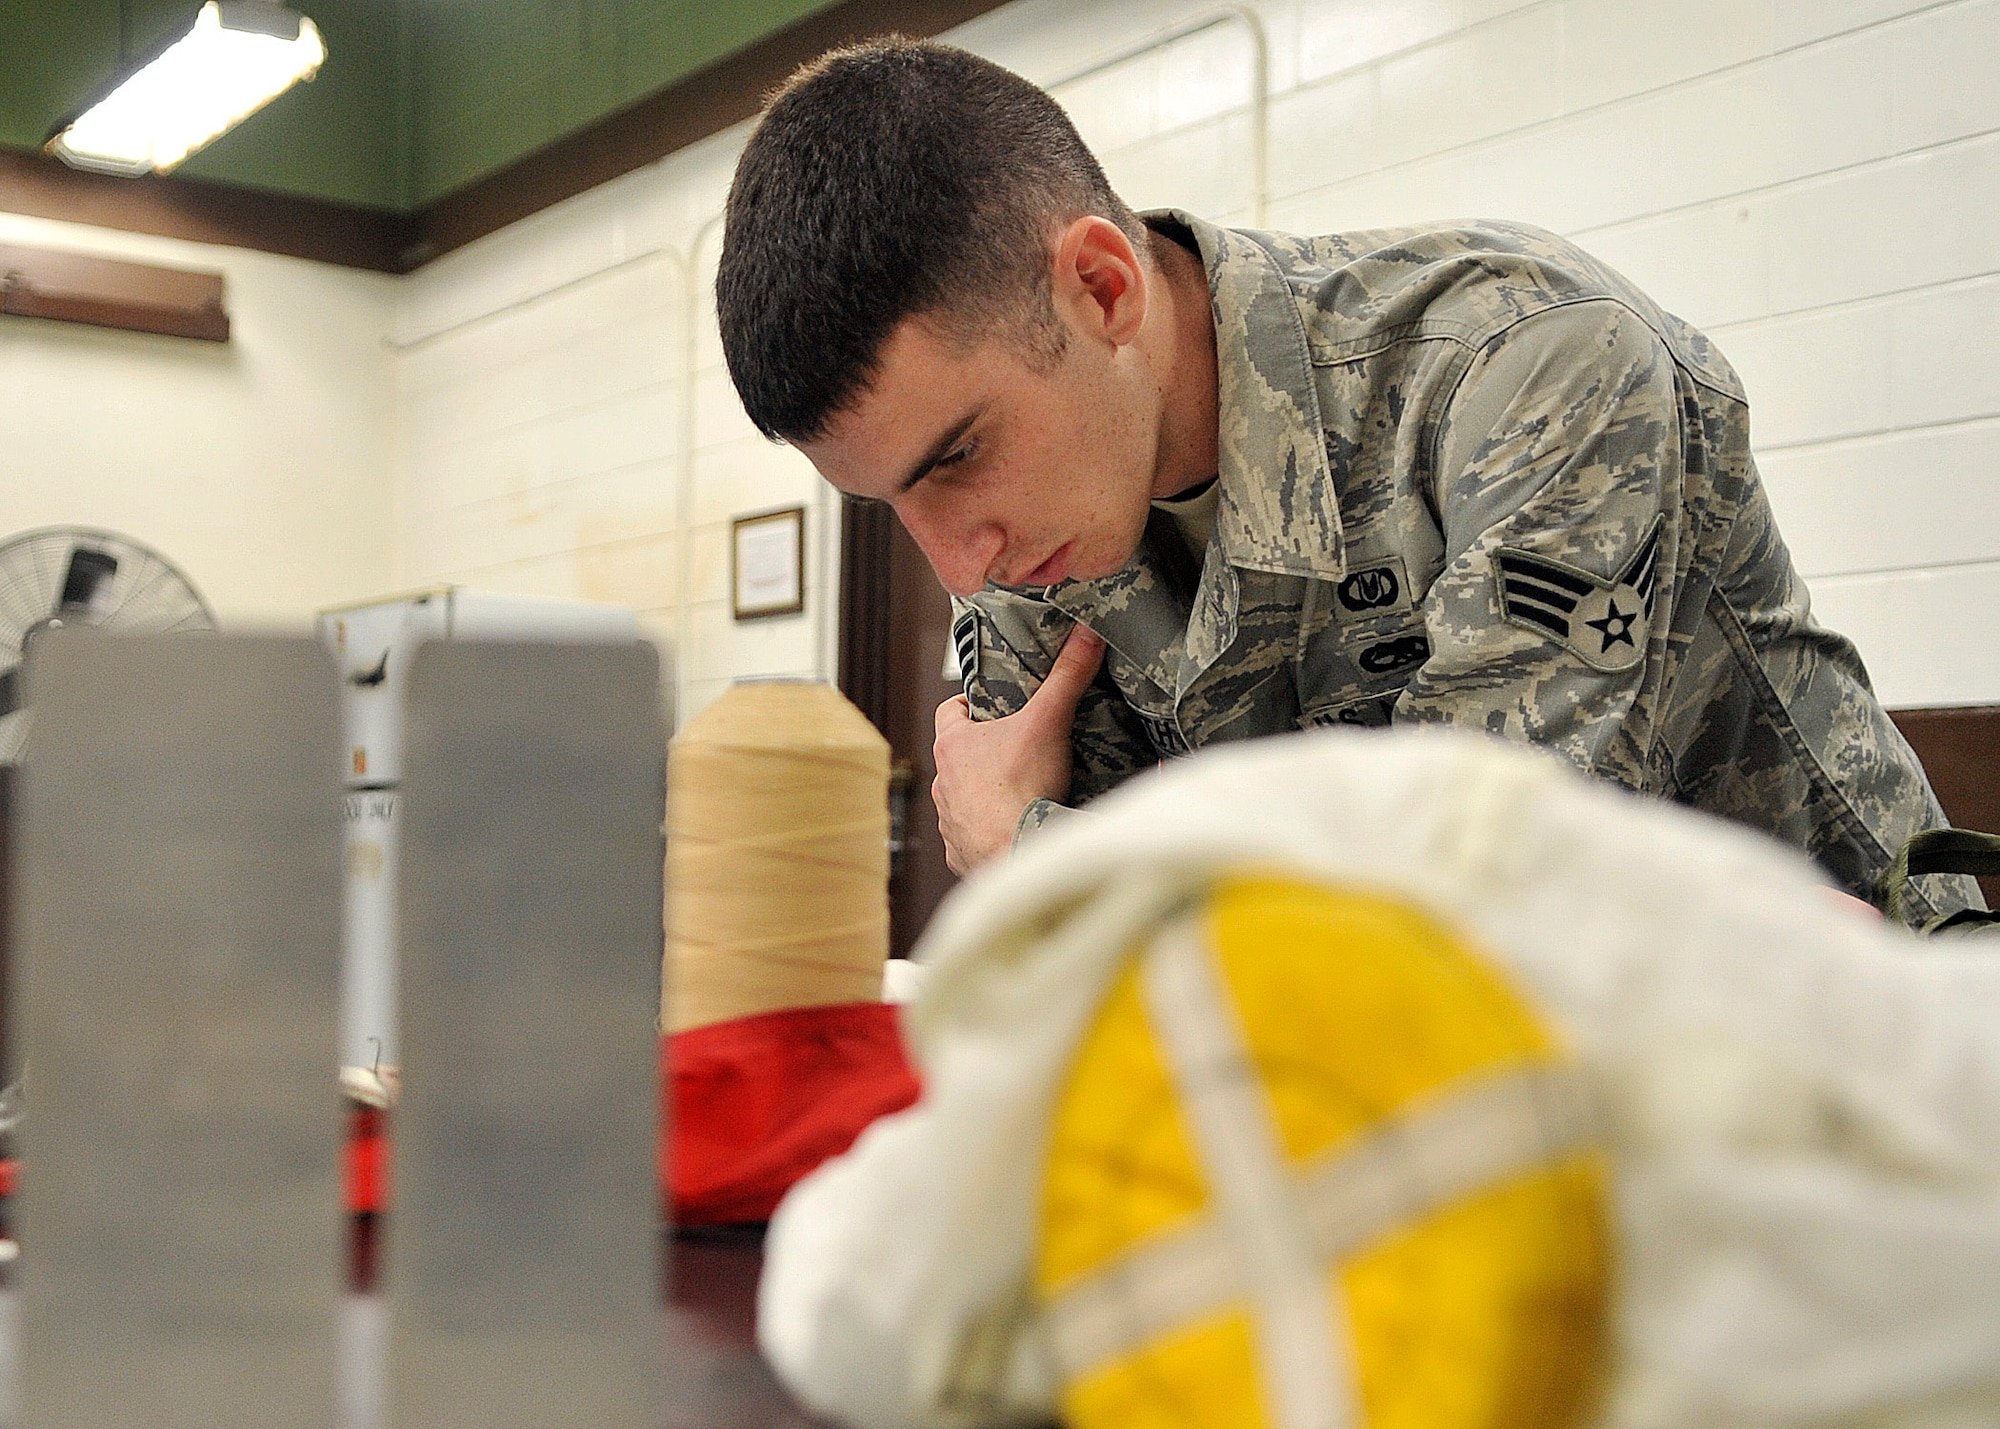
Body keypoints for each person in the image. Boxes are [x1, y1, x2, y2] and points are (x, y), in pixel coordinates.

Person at [714, 38, 1979, 925]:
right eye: (895, 504)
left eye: (958, 454)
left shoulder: (1524, 367)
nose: (957, 563)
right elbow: (1090, 982)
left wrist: (1023, 848)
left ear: (1100, 287)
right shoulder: (1031, 549)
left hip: (1864, 1082)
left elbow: (1461, 915)